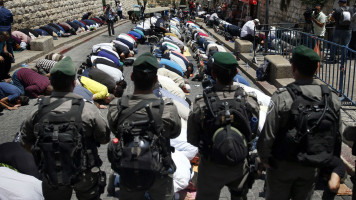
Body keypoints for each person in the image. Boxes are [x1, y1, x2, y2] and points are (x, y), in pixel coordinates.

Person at [257, 45, 342, 200]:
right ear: (316, 69)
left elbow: (268, 134)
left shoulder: (282, 97)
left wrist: (263, 159)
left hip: (282, 165)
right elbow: (337, 134)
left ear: (293, 68)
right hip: (312, 164)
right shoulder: (331, 98)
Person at [20, 56, 111, 200]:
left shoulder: (38, 111)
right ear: (74, 83)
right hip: (84, 173)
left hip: (51, 174)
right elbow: (104, 138)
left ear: (51, 82)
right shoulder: (88, 109)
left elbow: (25, 142)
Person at [107, 52, 181, 200]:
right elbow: (175, 133)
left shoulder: (117, 106)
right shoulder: (167, 108)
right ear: (156, 80)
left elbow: (115, 130)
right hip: (159, 170)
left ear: (132, 77)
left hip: (129, 168)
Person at [187, 52, 260, 200]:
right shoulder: (250, 101)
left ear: (213, 74)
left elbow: (192, 139)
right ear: (236, 73)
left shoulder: (201, 103)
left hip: (210, 165)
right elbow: (252, 132)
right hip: (239, 164)